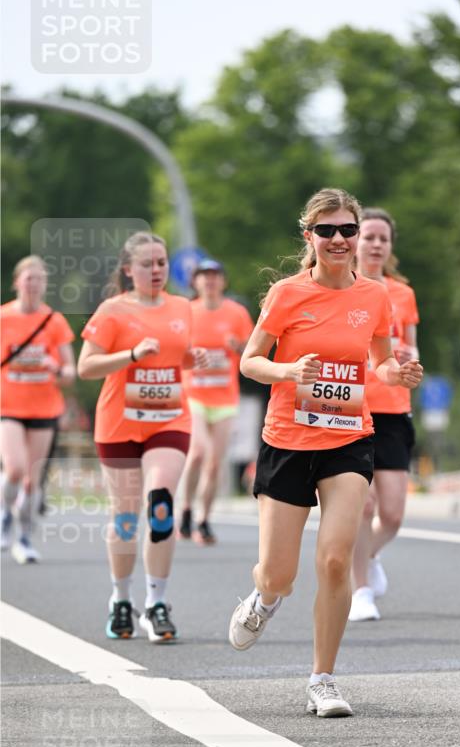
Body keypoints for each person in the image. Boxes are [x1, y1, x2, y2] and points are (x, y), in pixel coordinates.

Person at [228, 188, 423, 716]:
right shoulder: (288, 294)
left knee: (336, 559)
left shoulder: (375, 296)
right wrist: (288, 372)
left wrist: (395, 373)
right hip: (288, 440)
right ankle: (264, 599)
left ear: (359, 235)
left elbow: (379, 363)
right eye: (327, 231)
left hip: (349, 438)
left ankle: (323, 679)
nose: (339, 240)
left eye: (347, 230)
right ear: (309, 236)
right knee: (278, 574)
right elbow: (250, 361)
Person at [78, 231, 207, 642]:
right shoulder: (113, 310)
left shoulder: (182, 307)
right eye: (148, 264)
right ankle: (121, 599)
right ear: (129, 269)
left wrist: (192, 358)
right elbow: (86, 367)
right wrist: (131, 355)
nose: (156, 270)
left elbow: (177, 354)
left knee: (161, 503)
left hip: (168, 419)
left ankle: (156, 603)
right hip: (119, 422)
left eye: (162, 263)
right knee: (125, 517)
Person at [348, 208, 420, 621]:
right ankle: (360, 591)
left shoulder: (403, 294)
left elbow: (412, 348)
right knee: (364, 505)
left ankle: (369, 554)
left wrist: (410, 359)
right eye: (369, 236)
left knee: (392, 514)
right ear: (355, 241)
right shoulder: (342, 289)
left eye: (383, 238)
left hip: (393, 410)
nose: (376, 244)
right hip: (351, 408)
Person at [1, 255, 75, 563]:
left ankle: (25, 537)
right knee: (16, 468)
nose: (33, 284)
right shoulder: (3, 317)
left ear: (45, 285)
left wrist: (55, 367)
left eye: (39, 279)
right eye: (28, 278)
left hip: (45, 407)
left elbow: (71, 371)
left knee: (33, 476)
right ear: (17, 282)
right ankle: (5, 513)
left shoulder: (54, 321)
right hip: (8, 405)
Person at [178, 258, 254, 545]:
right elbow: (175, 347)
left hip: (225, 397)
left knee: (213, 463)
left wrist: (240, 347)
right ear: (195, 282)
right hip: (193, 394)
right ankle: (185, 509)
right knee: (197, 453)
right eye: (204, 276)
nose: (209, 281)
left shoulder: (236, 313)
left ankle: (203, 520)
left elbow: (253, 350)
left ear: (223, 281)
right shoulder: (187, 312)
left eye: (214, 276)